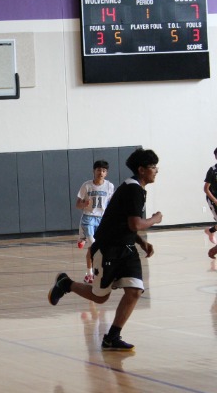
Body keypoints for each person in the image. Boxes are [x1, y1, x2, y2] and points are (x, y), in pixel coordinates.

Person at [48, 148, 163, 351]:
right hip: (108, 248)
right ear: (142, 169)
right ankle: (66, 283)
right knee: (100, 297)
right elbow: (135, 223)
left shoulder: (134, 188)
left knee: (135, 291)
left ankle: (112, 337)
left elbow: (123, 221)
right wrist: (155, 219)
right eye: (153, 167)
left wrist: (140, 242)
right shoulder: (132, 189)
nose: (157, 170)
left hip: (127, 248)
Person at [75, 160, 115, 283]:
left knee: (100, 247)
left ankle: (82, 238)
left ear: (106, 173)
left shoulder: (109, 186)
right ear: (94, 171)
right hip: (89, 217)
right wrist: (84, 204)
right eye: (98, 170)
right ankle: (90, 274)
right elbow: (77, 204)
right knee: (93, 245)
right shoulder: (86, 186)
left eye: (103, 171)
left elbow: (112, 203)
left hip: (102, 219)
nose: (101, 172)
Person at [203, 147, 217, 245]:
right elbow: (206, 189)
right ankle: (210, 231)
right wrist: (215, 200)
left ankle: (210, 231)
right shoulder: (212, 170)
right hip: (213, 198)